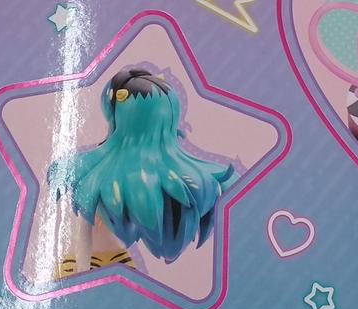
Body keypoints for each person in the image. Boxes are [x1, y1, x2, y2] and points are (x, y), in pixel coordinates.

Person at [48, 67, 234, 277]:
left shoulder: (135, 175)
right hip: (80, 264)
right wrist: (82, 273)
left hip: (118, 262)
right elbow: (82, 230)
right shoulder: (93, 174)